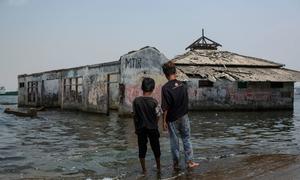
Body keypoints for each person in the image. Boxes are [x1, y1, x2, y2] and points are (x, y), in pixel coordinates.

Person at [161, 61, 199, 170]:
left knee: (174, 141)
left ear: (165, 74)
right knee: (186, 138)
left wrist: (163, 121)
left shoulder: (165, 88)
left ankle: (176, 164)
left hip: (172, 118)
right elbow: (186, 101)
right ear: (175, 72)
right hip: (184, 116)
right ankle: (190, 162)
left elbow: (165, 107)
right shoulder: (182, 85)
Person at [132, 77, 162, 175]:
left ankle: (144, 170)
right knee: (156, 148)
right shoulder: (154, 102)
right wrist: (155, 123)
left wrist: (136, 128)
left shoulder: (136, 101)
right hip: (152, 128)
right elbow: (158, 115)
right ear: (153, 88)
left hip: (140, 128)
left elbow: (134, 116)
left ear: (142, 88)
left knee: (142, 149)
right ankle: (158, 167)